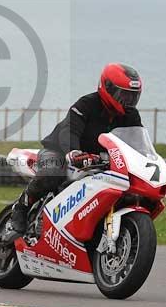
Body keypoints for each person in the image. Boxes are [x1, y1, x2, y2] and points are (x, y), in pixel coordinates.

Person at [8, 63, 143, 236]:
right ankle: (20, 209)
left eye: (133, 96)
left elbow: (136, 140)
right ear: (107, 88)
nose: (129, 101)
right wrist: (73, 151)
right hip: (60, 150)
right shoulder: (87, 104)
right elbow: (70, 129)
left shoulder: (131, 115)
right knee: (52, 173)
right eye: (124, 95)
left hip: (100, 160)